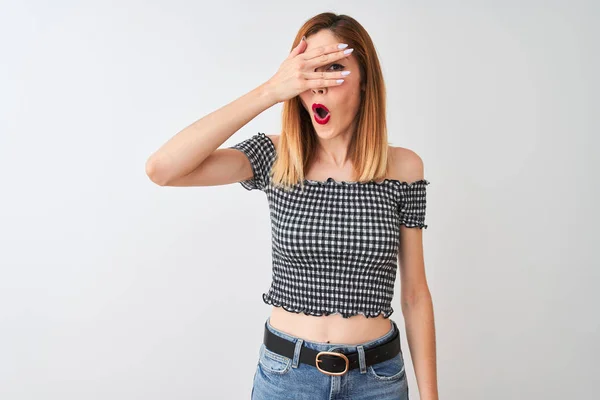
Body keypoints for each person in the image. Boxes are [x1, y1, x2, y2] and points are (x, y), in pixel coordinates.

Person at [145, 12, 438, 400]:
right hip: (287, 378)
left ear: (365, 81)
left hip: (378, 382)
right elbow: (162, 169)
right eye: (308, 71)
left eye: (333, 68)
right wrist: (269, 90)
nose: (317, 87)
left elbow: (415, 294)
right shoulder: (277, 156)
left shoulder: (404, 167)